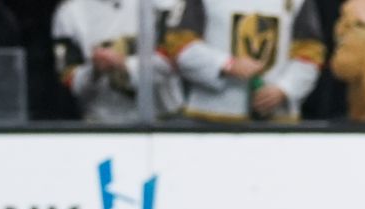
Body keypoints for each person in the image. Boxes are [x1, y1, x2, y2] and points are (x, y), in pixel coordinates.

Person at [162, 0, 327, 123]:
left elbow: (311, 51)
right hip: (212, 118)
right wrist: (226, 64)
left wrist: (285, 88)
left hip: (277, 123)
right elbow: (178, 44)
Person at [52, 0, 183, 122]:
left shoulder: (165, 3)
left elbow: (178, 58)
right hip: (104, 124)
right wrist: (93, 71)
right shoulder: (69, 13)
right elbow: (68, 81)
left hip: (165, 121)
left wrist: (126, 67)